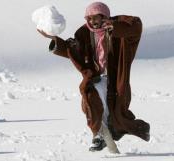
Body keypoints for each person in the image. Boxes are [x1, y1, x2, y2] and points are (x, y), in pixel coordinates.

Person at [37, 2, 150, 152]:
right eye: (88, 18)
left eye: (95, 18)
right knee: (91, 99)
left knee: (117, 115)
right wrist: (53, 38)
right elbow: (73, 50)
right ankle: (99, 135)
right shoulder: (83, 33)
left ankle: (136, 128)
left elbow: (136, 27)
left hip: (116, 79)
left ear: (104, 16)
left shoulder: (119, 31)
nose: (92, 21)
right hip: (96, 78)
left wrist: (115, 27)